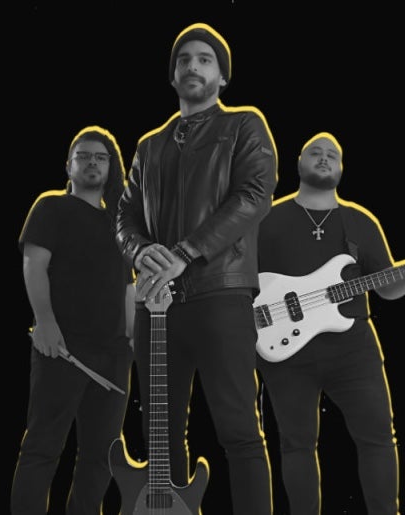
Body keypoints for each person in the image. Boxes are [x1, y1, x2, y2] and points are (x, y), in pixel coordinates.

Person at [115, 22, 278, 515]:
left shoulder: (244, 124)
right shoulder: (148, 146)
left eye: (205, 59)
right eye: (183, 60)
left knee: (238, 430)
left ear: (222, 77)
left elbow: (254, 195)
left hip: (221, 293)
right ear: (172, 76)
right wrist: (140, 251)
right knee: (160, 435)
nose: (192, 66)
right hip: (157, 304)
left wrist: (185, 253)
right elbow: (123, 217)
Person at [255, 131, 405, 515]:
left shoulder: (360, 221)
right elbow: (242, 282)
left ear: (341, 169)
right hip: (286, 350)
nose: (324, 158)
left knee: (378, 438)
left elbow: (387, 286)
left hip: (353, 349)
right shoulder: (267, 218)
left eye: (332, 155)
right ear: (299, 163)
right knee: (296, 443)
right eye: (315, 152)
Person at [10, 126, 135, 515]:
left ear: (111, 167)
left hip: (114, 355)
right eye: (85, 156)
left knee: (102, 456)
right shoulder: (51, 207)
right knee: (43, 447)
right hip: (62, 348)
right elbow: (34, 265)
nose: (93, 163)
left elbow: (128, 287)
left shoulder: (121, 223)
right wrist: (44, 323)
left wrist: (133, 340)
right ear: (69, 165)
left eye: (101, 157)